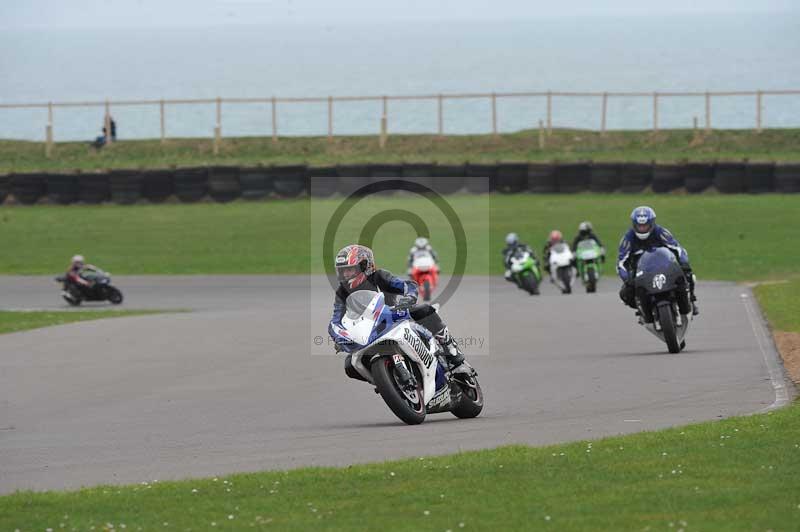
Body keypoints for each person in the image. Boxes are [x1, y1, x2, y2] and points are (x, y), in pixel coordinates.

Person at [328, 244, 474, 381]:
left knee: (424, 310)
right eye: (343, 271)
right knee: (349, 365)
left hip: (393, 316)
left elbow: (408, 285)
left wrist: (409, 297)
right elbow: (335, 321)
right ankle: (386, 379)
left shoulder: (379, 276)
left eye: (350, 269)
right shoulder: (342, 292)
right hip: (368, 330)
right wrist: (340, 336)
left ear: (365, 266)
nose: (345, 274)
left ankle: (453, 354)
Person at [617, 206, 699, 315]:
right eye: (639, 226)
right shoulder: (627, 238)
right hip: (640, 271)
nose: (642, 228)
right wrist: (627, 279)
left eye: (645, 225)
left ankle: (691, 300)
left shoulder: (661, 232)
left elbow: (677, 248)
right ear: (634, 225)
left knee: (689, 275)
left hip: (664, 266)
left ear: (652, 223)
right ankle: (642, 308)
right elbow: (621, 262)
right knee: (625, 294)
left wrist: (684, 263)